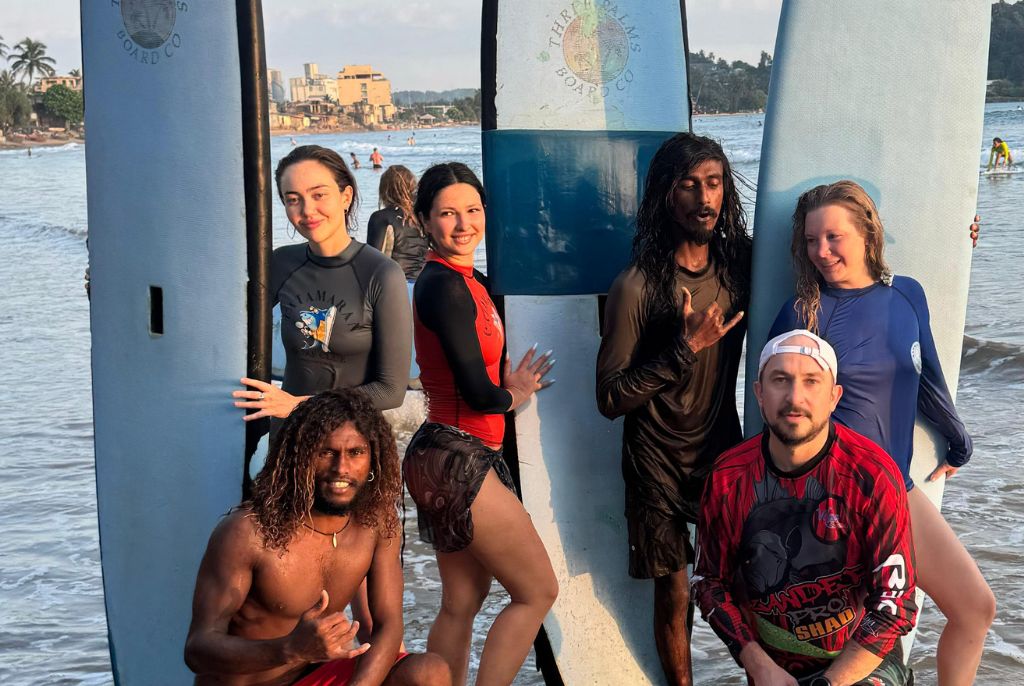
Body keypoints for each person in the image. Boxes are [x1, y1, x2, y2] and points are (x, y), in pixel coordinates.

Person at [770, 180, 995, 685]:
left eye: (834, 237)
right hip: (830, 498)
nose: (821, 252)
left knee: (975, 608)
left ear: (868, 235)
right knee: (857, 649)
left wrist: (958, 443)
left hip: (894, 487)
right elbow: (774, 406)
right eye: (811, 240)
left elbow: (926, 374)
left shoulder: (907, 295)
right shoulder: (802, 313)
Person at [232, 145, 411, 642]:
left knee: (371, 613)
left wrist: (296, 406)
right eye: (292, 199)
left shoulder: (381, 274)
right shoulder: (279, 264)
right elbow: (228, 326)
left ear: (346, 196)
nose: (306, 210)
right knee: (283, 602)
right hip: (289, 455)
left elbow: (391, 389)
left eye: (318, 195)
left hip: (353, 457)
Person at [595, 132, 750, 685]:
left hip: (720, 449)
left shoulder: (740, 267)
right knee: (675, 589)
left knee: (746, 577)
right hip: (654, 459)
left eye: (713, 183)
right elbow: (609, 397)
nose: (704, 199)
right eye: (688, 185)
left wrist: (957, 236)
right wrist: (685, 349)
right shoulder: (636, 286)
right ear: (666, 193)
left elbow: (823, 251)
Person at [402, 162, 557, 686]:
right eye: (448, 213)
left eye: (472, 210)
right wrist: (516, 392)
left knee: (462, 601)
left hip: (440, 456)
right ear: (424, 220)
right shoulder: (442, 287)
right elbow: (478, 394)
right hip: (457, 455)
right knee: (537, 592)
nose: (463, 223)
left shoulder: (470, 282)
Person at [693, 330, 918, 686]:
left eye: (811, 381)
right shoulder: (728, 478)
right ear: (759, 394)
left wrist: (828, 683)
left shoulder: (871, 475)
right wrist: (758, 665)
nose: (795, 397)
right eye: (780, 380)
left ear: (834, 396)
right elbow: (708, 582)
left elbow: (895, 602)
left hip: (861, 662)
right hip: (771, 668)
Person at [185, 390, 452, 686]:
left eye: (355, 453)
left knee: (429, 671)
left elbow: (388, 625)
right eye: (326, 452)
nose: (342, 469)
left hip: (315, 677)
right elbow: (197, 649)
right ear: (299, 458)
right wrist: (289, 649)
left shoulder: (374, 523)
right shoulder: (248, 533)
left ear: (374, 459)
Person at [367, 165, 430, 387]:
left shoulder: (381, 218)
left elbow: (373, 261)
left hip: (393, 291)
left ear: (384, 189)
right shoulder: (422, 219)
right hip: (421, 290)